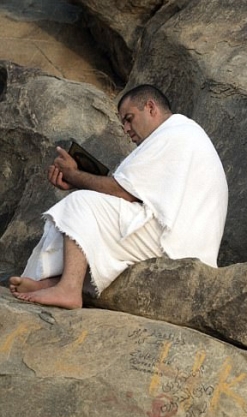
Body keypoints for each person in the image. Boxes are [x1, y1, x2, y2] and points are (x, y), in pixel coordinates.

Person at [8, 84, 228, 309]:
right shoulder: (180, 133)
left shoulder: (176, 132)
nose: (126, 128)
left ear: (151, 107)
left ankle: (68, 289)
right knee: (81, 216)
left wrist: (75, 176)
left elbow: (123, 192)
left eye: (129, 118)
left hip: (176, 245)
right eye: (123, 122)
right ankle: (48, 282)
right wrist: (77, 180)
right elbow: (132, 194)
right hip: (175, 238)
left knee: (80, 204)